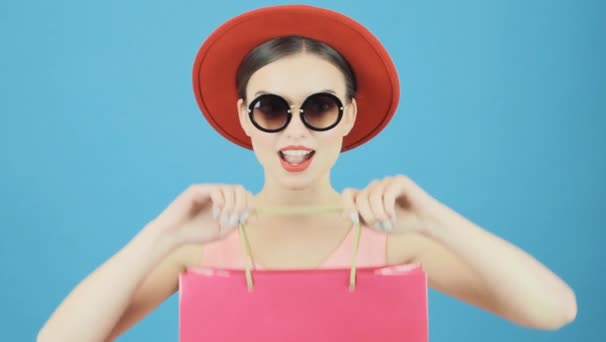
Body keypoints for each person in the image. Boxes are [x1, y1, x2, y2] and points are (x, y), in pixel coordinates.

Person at [37, 5, 577, 341]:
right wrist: (162, 234)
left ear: (350, 117)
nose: (295, 133)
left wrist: (435, 218)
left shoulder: (391, 241)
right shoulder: (201, 246)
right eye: (272, 110)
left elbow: (552, 311)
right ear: (245, 119)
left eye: (319, 108)